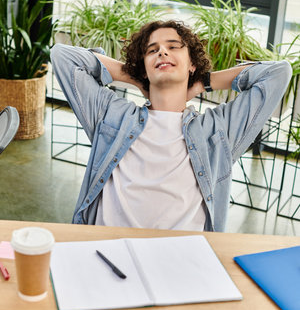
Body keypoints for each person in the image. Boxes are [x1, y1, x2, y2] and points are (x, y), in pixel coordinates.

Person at [50, 20, 292, 231]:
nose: (162, 52)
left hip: (181, 257)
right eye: (151, 51)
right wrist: (135, 77)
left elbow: (278, 73)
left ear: (192, 64)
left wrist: (203, 82)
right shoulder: (112, 115)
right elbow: (63, 56)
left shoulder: (217, 131)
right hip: (108, 250)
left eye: (173, 47)